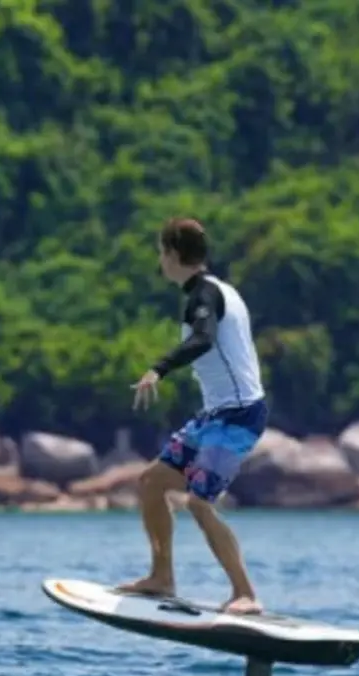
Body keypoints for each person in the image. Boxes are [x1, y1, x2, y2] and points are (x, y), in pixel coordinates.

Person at [118, 217, 269, 615]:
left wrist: (158, 369)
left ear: (172, 254)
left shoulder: (203, 296)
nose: (159, 260)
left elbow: (203, 339)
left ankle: (246, 594)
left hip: (238, 417)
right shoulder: (219, 289)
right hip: (215, 415)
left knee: (199, 504)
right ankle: (161, 577)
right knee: (152, 482)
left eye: (160, 251)